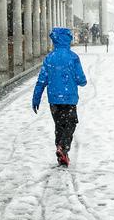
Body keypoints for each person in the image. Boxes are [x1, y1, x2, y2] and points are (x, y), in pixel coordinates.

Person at [32, 27, 87, 167]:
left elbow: (41, 80)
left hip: (54, 100)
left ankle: (61, 152)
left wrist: (36, 98)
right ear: (68, 39)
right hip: (69, 99)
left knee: (59, 126)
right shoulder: (73, 57)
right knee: (70, 123)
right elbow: (81, 80)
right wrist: (78, 80)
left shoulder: (49, 58)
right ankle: (63, 147)